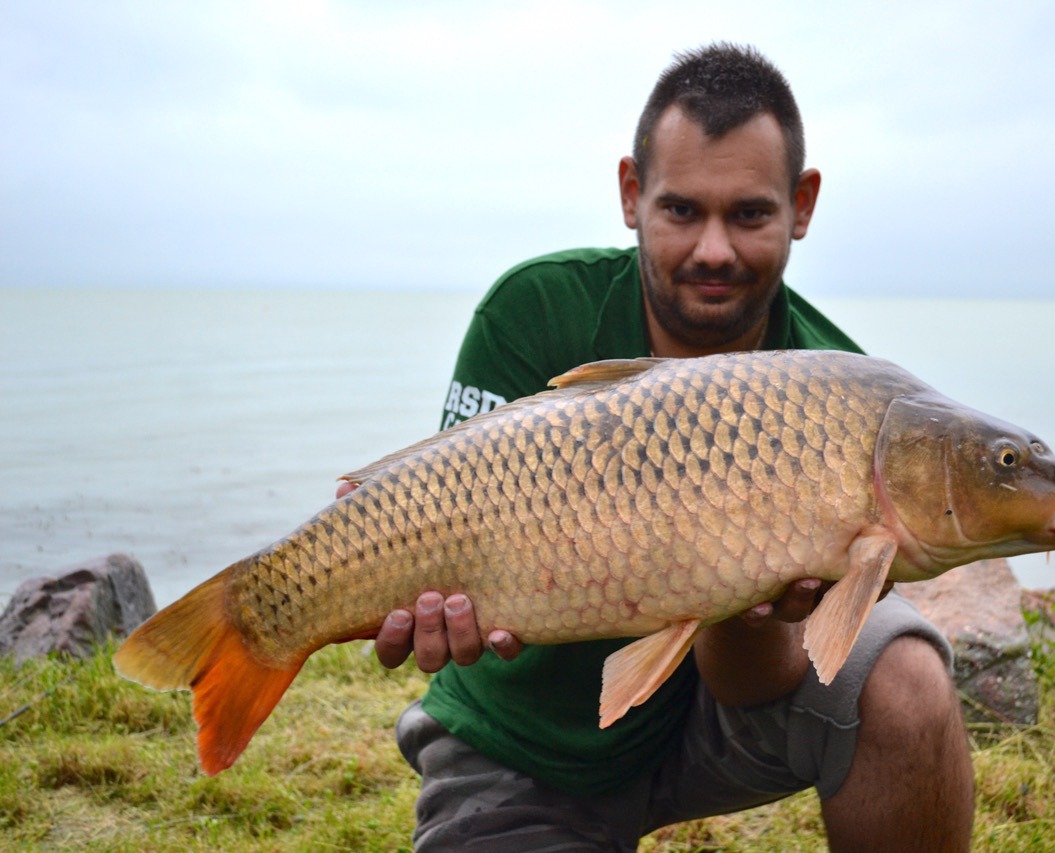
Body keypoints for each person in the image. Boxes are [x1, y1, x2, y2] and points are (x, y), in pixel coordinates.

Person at [347, 44, 974, 851]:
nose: (714, 249)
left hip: (713, 715)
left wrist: (748, 609)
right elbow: (439, 533)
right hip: (523, 740)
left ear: (803, 203)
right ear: (632, 194)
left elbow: (763, 681)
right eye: (682, 210)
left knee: (908, 675)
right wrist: (415, 591)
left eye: (749, 214)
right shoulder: (532, 312)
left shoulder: (848, 400)